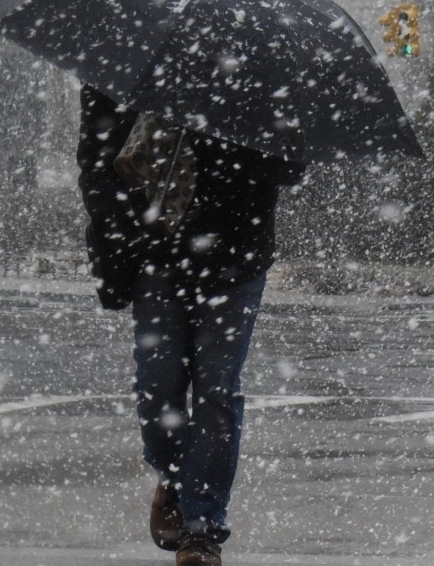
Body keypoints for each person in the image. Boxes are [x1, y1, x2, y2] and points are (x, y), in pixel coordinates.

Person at [78, 86, 302, 566]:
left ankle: (202, 528)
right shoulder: (131, 68)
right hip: (155, 248)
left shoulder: (260, 72)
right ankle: (174, 480)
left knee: (217, 389)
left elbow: (290, 166)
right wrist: (117, 232)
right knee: (157, 386)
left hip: (236, 250)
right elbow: (98, 158)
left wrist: (233, 128)